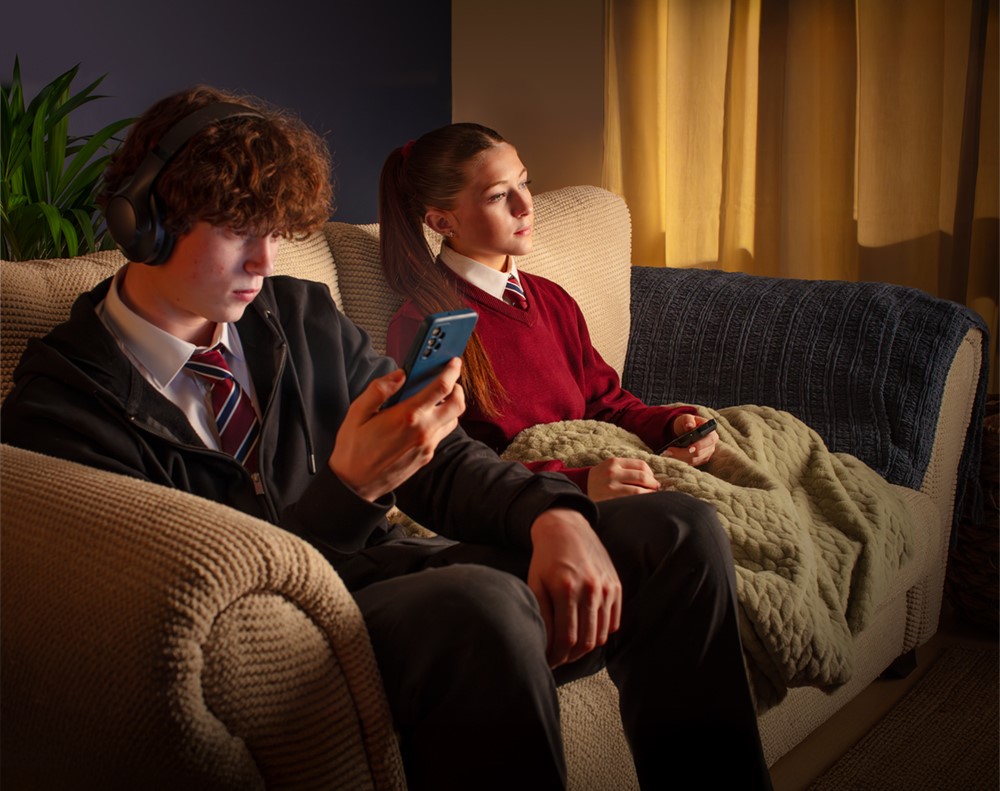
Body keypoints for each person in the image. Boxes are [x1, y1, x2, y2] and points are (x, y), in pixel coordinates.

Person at [2, 88, 770, 790]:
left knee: (676, 526)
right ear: (147, 223)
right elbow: (209, 604)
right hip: (305, 625)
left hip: (397, 570)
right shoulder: (63, 407)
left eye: (274, 233)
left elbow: (441, 460)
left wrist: (554, 511)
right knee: (484, 603)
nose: (265, 262)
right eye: (240, 231)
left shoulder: (297, 316)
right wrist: (349, 493)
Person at [380, 122, 720, 503]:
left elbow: (606, 403)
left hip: (603, 470)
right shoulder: (424, 326)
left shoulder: (553, 299)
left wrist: (674, 424)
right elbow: (444, 466)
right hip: (532, 504)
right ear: (443, 222)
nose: (525, 206)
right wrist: (578, 483)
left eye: (524, 183)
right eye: (497, 196)